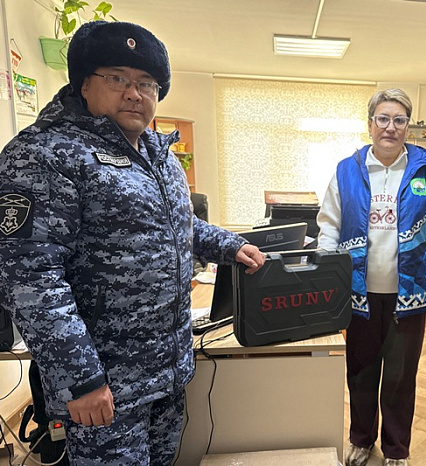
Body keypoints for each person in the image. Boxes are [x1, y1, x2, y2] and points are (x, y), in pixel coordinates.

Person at [0, 21, 265, 465]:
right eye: (117, 78)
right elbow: (30, 279)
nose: (134, 93)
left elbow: (177, 226)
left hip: (166, 373)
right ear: (84, 84)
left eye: (146, 83)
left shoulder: (158, 155)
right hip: (104, 386)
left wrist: (228, 245)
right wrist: (81, 380)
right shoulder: (44, 154)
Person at [317, 88, 426, 466]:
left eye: (399, 120)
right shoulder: (346, 171)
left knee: (400, 377)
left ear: (408, 127)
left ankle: (396, 449)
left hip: (408, 294)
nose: (390, 127)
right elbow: (329, 226)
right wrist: (328, 276)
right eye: (383, 119)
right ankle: (362, 440)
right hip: (358, 293)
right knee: (361, 373)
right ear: (370, 124)